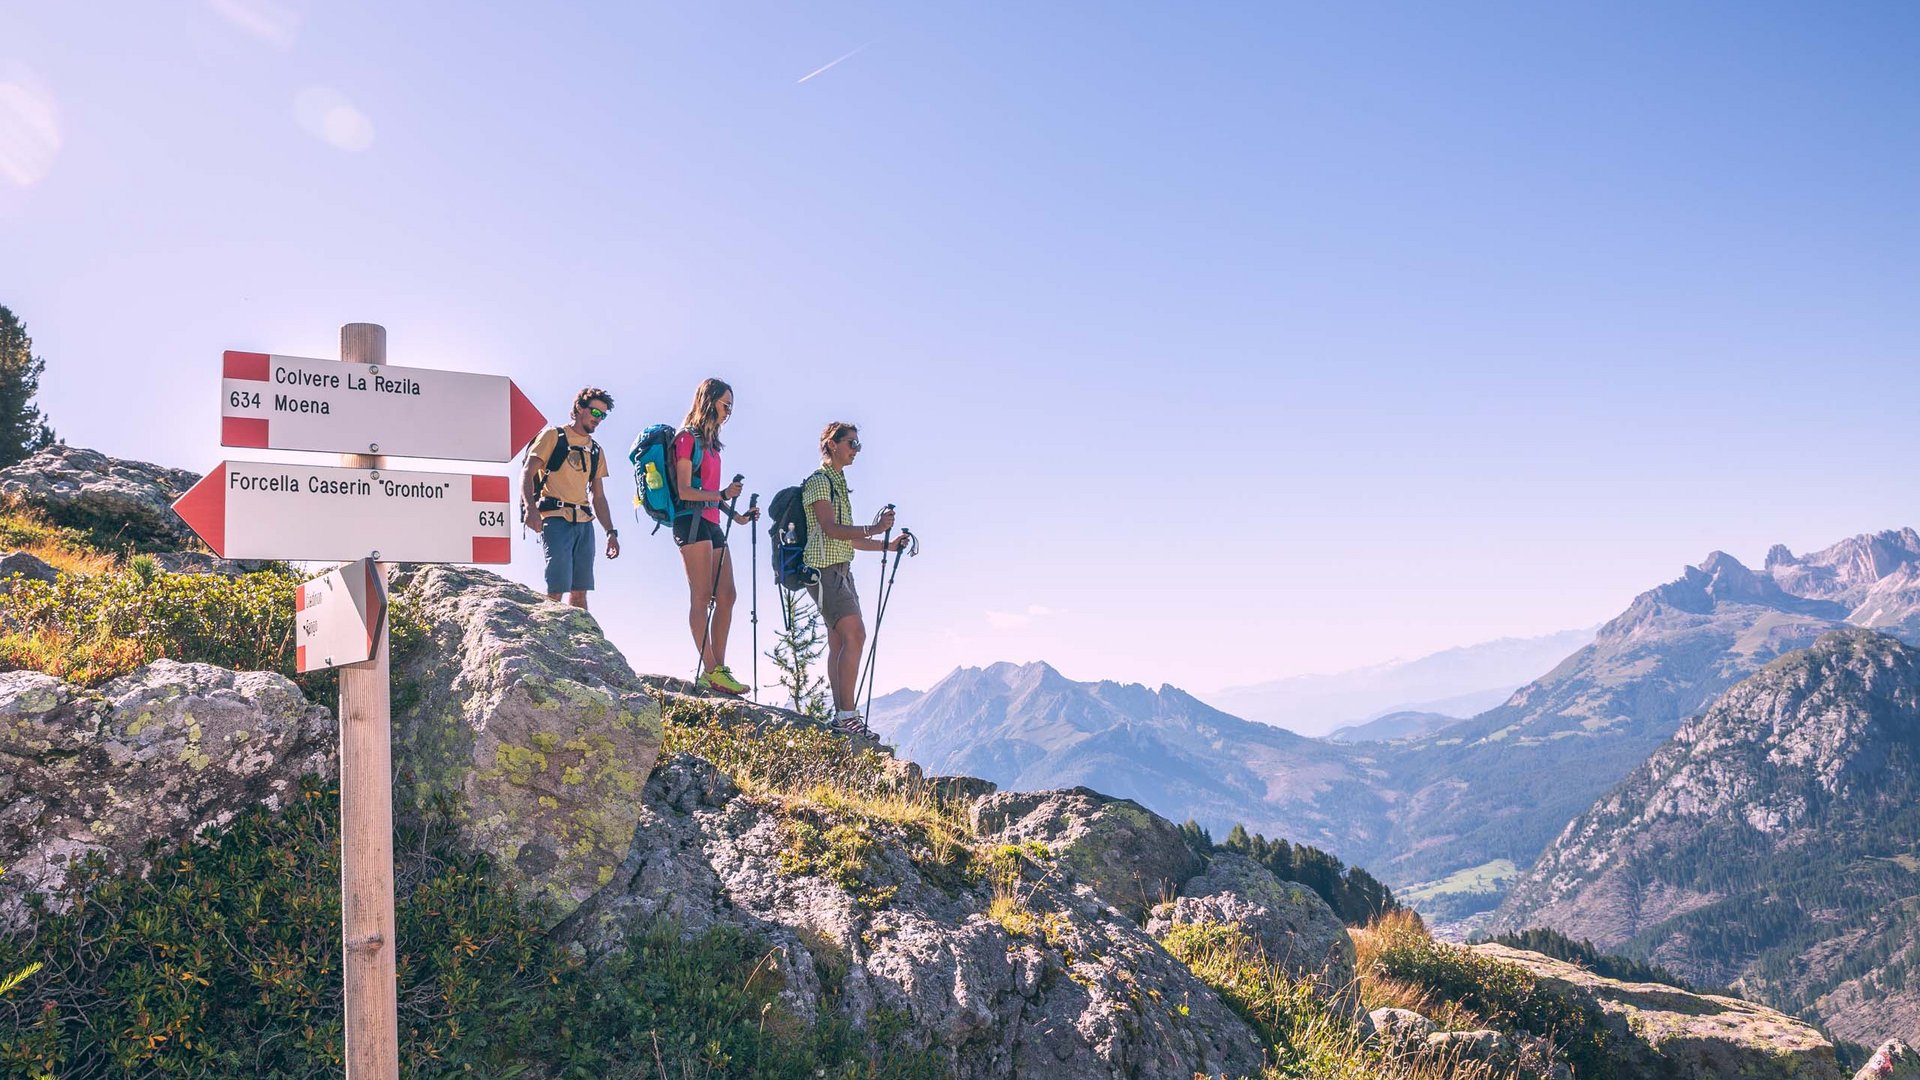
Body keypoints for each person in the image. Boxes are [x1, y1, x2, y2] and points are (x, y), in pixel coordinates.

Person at [804, 421, 909, 735]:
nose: (857, 451)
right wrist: (875, 529)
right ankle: (847, 715)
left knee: (840, 642)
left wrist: (886, 546)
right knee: (856, 635)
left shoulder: (837, 482)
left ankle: (843, 715)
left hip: (839, 571)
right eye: (852, 444)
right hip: (824, 570)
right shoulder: (820, 481)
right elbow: (831, 529)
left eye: (858, 445)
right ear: (832, 444)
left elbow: (848, 539)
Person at [672, 378, 759, 696]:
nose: (729, 411)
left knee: (727, 595)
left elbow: (709, 492)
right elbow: (684, 490)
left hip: (710, 522)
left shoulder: (711, 446)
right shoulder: (686, 439)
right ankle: (710, 670)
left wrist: (736, 515)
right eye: (725, 404)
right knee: (701, 595)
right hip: (690, 522)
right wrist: (722, 493)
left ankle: (719, 670)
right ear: (708, 401)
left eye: (732, 406)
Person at [522, 388, 619, 610]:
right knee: (556, 587)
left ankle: (580, 643)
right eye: (595, 412)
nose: (598, 419)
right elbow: (527, 472)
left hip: (585, 523)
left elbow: (599, 496)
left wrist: (610, 532)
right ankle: (547, 636)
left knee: (580, 592)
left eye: (603, 415)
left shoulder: (596, 450)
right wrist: (530, 508)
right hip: (555, 518)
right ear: (579, 408)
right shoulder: (553, 436)